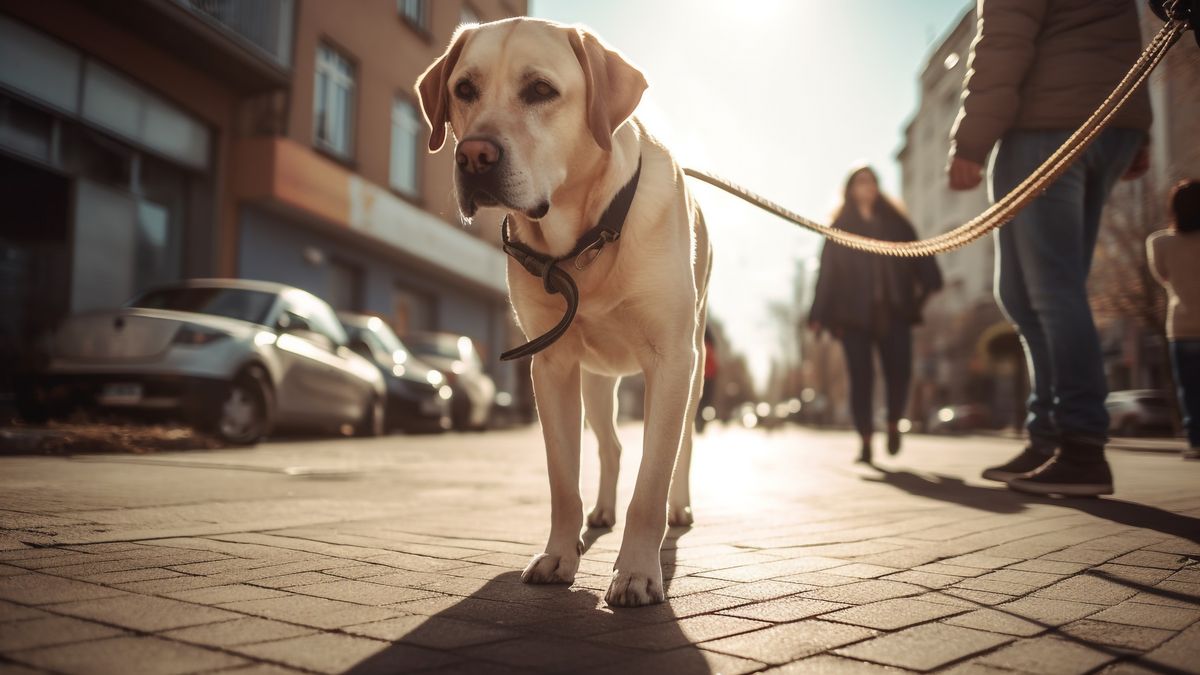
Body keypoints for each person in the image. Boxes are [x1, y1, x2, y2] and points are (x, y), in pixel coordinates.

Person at [948, 0, 1152, 496]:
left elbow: (1003, 40)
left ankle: (1081, 445)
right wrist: (1136, 128)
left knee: (1052, 291)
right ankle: (1048, 438)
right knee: (1026, 294)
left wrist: (972, 140)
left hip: (1047, 124)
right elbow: (1126, 30)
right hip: (1108, 120)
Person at [810, 166, 943, 464]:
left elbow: (921, 256)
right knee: (861, 378)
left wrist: (926, 286)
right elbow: (827, 275)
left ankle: (894, 422)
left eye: (872, 181)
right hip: (852, 317)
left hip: (894, 311)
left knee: (900, 372)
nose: (867, 186)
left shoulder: (897, 224)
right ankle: (866, 440)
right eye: (860, 181)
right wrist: (818, 314)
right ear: (850, 189)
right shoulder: (839, 229)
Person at [1148, 180, 1200, 461]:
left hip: (1182, 327)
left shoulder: (1159, 242)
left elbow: (1163, 276)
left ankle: (1196, 443)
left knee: (1190, 390)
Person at [695, 327, 718, 433]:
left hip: (705, 377)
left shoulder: (702, 346)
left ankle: (700, 424)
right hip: (706, 377)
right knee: (703, 402)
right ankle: (699, 424)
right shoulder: (709, 347)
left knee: (702, 402)